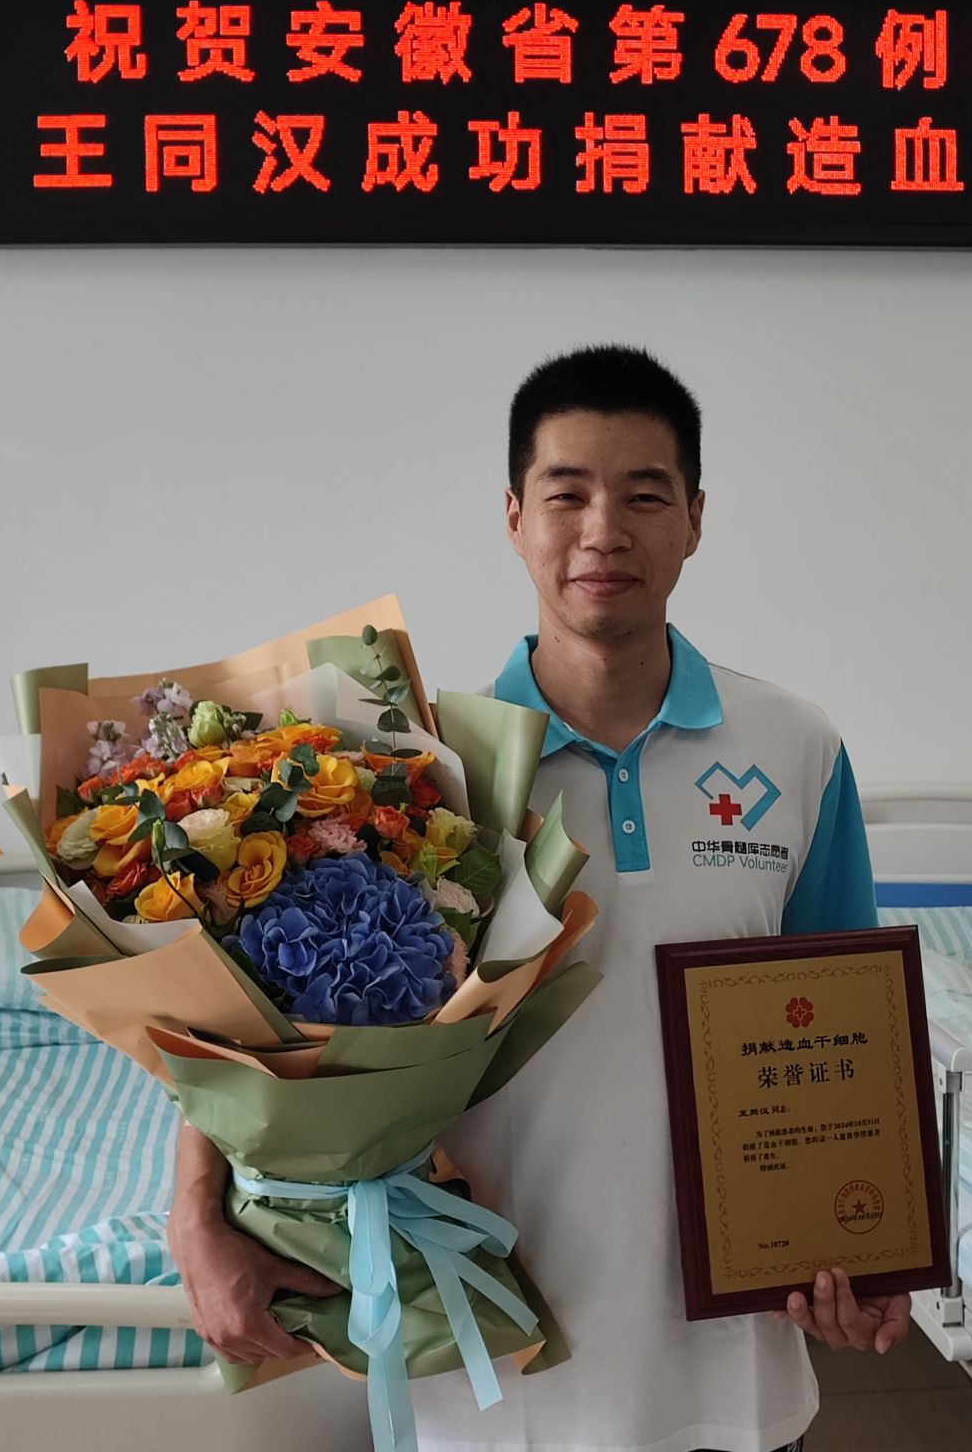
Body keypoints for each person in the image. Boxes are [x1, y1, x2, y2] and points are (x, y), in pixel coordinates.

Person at [169, 344, 906, 1452]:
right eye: (566, 494)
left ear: (695, 520)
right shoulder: (418, 773)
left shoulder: (793, 749)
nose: (603, 531)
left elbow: (853, 1035)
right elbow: (235, 1017)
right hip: (496, 1376)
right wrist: (194, 1218)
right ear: (514, 518)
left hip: (735, 1376)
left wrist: (877, 1244)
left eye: (644, 495)